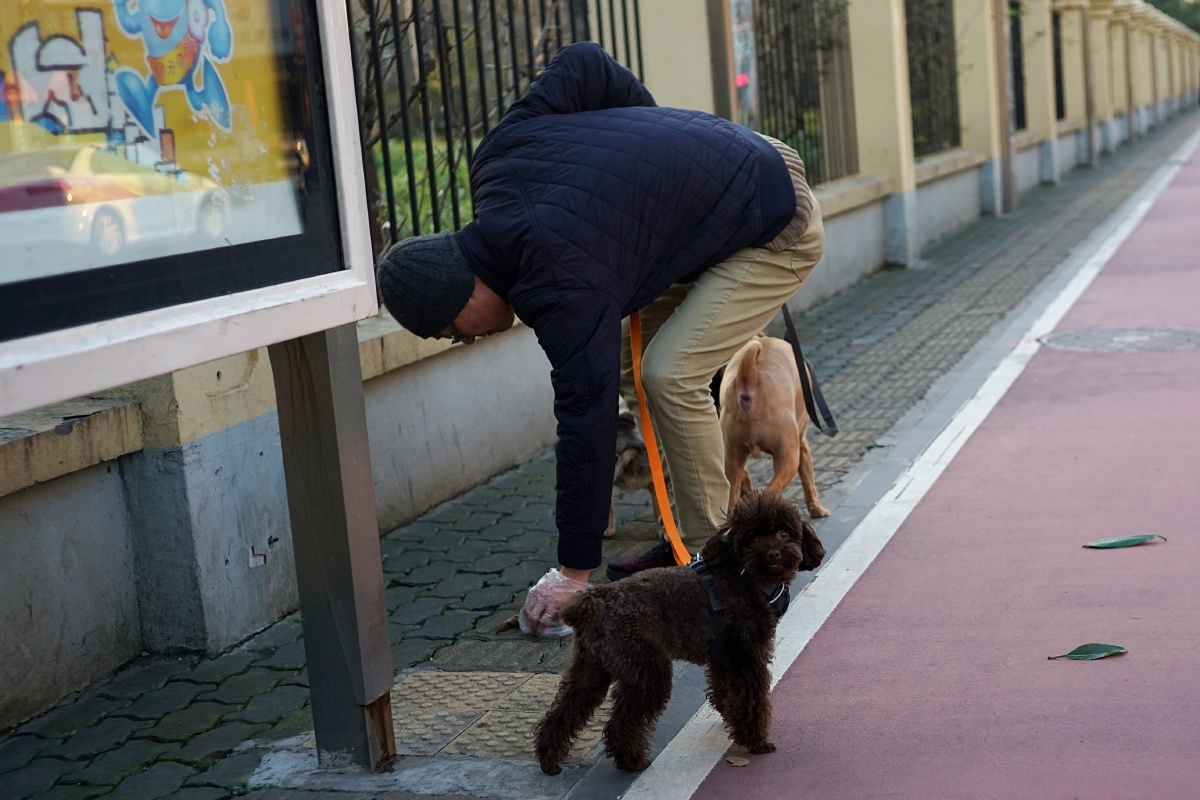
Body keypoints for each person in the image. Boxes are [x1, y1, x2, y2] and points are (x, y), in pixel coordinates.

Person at [375, 42, 824, 637]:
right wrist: (662, 165)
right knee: (632, 369)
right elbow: (585, 63)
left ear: (461, 296)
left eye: (454, 332)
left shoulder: (556, 285)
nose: (467, 342)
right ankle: (681, 531)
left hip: (777, 220)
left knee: (670, 373)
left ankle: (730, 577)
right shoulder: (497, 159)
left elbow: (583, 424)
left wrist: (573, 572)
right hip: (730, 201)